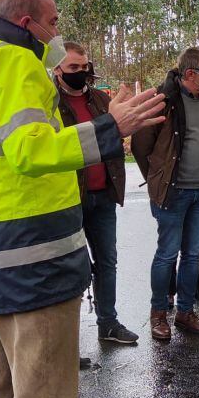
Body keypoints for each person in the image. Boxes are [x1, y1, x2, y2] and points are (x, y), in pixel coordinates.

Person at [0, 0, 164, 398]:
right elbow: (30, 150)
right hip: (32, 255)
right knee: (44, 395)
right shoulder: (14, 61)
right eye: (53, 21)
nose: (57, 32)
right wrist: (110, 127)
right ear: (26, 23)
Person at [133, 47, 199, 341]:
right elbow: (140, 145)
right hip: (173, 194)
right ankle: (159, 314)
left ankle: (185, 312)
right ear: (190, 74)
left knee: (193, 254)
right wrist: (158, 179)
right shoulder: (164, 101)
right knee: (167, 254)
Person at [54, 41, 138, 345]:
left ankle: (108, 323)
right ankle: (67, 340)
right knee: (69, 268)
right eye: (73, 67)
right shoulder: (49, 103)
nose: (81, 72)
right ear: (58, 69)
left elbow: (116, 136)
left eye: (84, 66)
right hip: (69, 198)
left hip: (103, 195)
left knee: (107, 262)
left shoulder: (102, 100)